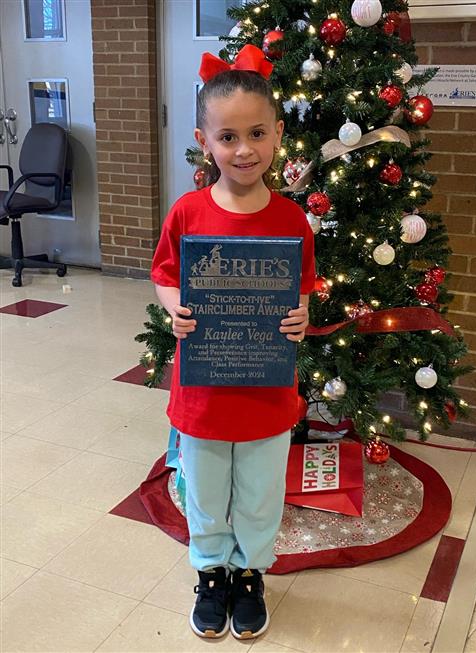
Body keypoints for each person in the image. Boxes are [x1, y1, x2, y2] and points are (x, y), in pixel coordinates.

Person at [151, 44, 316, 641]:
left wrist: (297, 317)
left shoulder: (292, 220)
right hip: (203, 391)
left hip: (267, 390)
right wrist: (176, 311)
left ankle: (249, 572)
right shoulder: (189, 213)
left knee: (260, 491)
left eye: (256, 133)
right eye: (227, 137)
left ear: (277, 135)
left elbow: (300, 288)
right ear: (204, 140)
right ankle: (210, 571)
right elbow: (166, 273)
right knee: (207, 487)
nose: (243, 149)